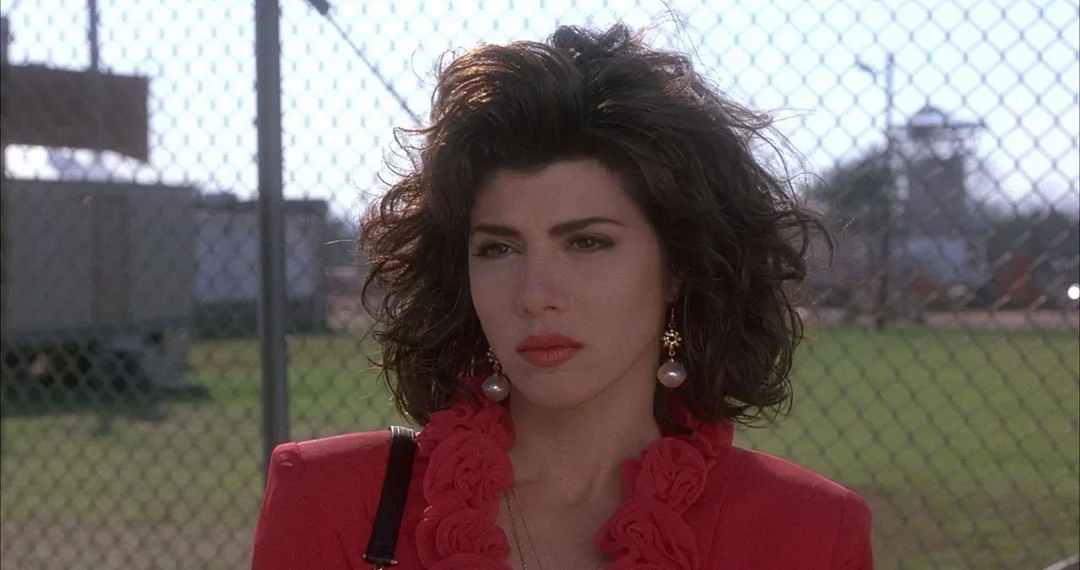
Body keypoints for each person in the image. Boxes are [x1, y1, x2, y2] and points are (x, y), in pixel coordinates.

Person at [251, 22, 873, 570]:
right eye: (498, 248)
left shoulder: (810, 532)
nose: (535, 295)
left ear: (680, 264)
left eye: (588, 243)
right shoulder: (330, 499)